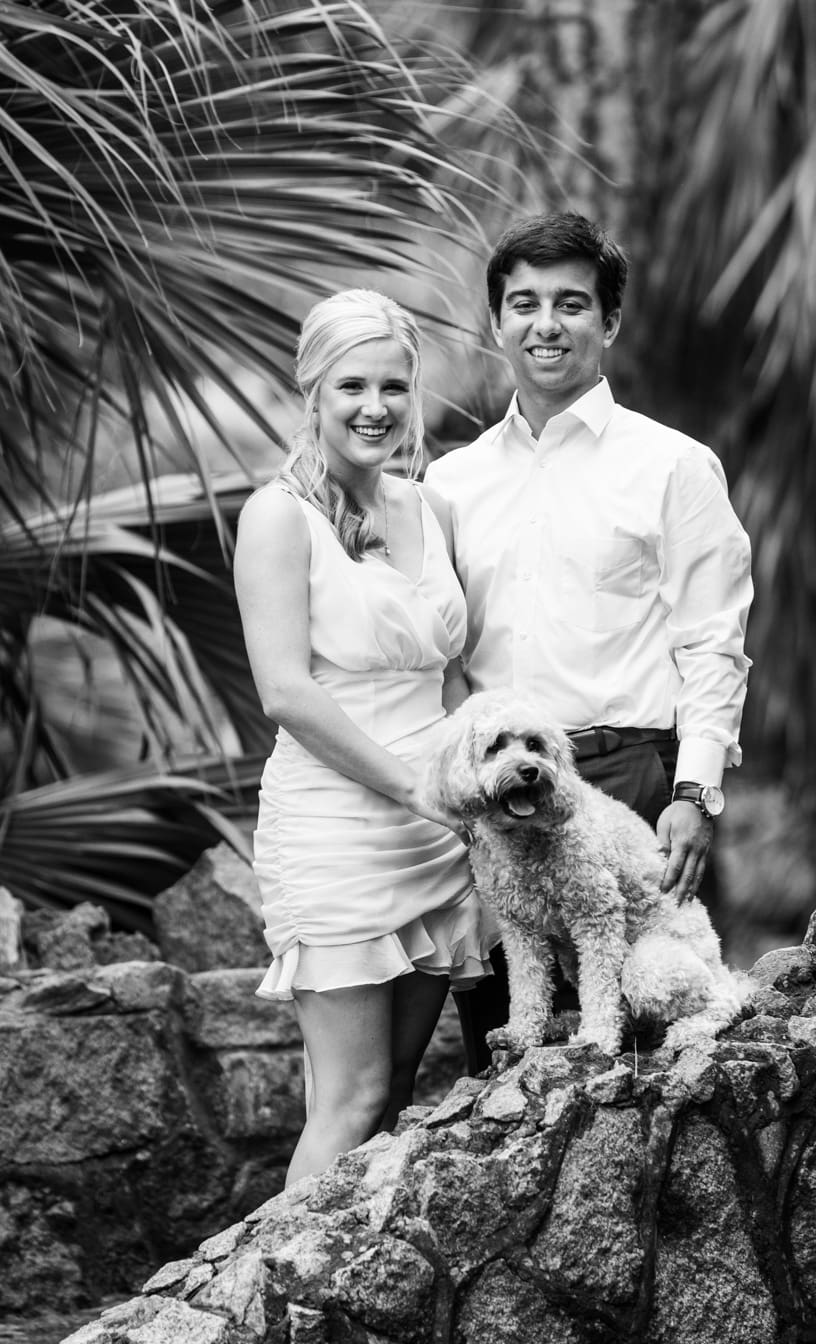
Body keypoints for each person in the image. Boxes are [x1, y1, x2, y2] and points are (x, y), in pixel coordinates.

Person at [424, 211, 753, 1074]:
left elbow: (714, 642)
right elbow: (441, 653)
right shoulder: (450, 484)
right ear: (497, 322)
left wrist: (697, 791)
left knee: (649, 1051)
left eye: (571, 304)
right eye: (523, 303)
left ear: (608, 322)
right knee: (508, 1054)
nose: (545, 323)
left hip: (633, 787)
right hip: (494, 798)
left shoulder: (673, 465)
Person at [234, 288, 497, 1186]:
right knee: (348, 1098)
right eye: (352, 385)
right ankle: (268, 1312)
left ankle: (337, 1309)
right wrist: (416, 788)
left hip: (441, 833)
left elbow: (451, 675)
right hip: (339, 827)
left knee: (388, 1102)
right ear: (312, 391)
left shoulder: (434, 509)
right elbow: (286, 694)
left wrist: (472, 791)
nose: (375, 407)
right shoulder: (276, 518)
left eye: (394, 386)